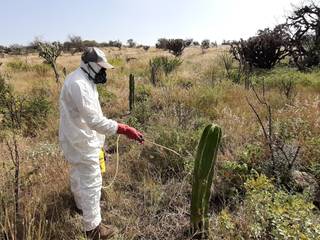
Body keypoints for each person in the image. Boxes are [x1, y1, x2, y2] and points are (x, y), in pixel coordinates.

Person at [59, 47, 144, 239]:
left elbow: (91, 117)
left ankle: (80, 206)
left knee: (77, 174)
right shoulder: (78, 84)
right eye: (101, 68)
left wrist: (101, 145)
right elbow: (95, 121)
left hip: (78, 138)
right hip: (81, 141)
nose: (103, 72)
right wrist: (124, 129)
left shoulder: (84, 79)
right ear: (89, 66)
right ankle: (94, 230)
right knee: (92, 183)